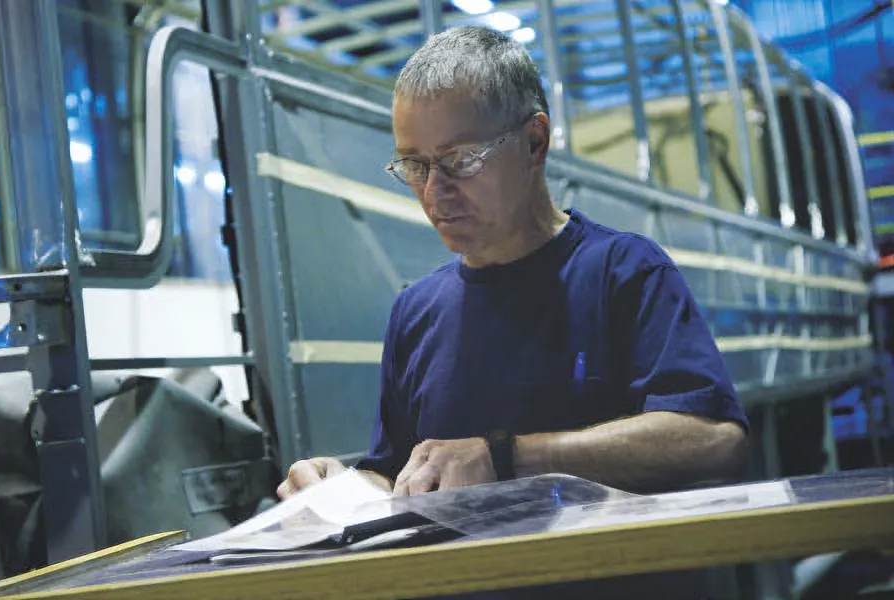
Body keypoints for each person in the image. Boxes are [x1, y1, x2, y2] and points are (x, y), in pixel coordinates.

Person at [277, 24, 749, 597]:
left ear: (534, 143)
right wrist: (341, 484)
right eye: (415, 166)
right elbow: (401, 471)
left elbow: (712, 439)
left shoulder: (624, 272)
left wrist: (506, 457)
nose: (433, 194)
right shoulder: (415, 311)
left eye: (460, 161)